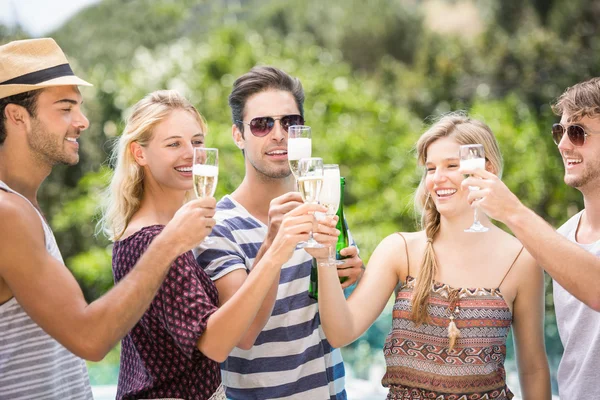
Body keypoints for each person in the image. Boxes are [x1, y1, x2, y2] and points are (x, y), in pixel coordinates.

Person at [0, 38, 215, 399]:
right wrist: (170, 242)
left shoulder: (23, 207)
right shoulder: (7, 214)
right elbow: (90, 337)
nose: (82, 121)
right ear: (17, 116)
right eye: (65, 108)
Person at [100, 89, 336, 400]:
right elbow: (216, 344)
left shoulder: (169, 233)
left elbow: (245, 332)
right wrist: (277, 252)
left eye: (197, 142)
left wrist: (269, 244)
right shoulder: (153, 241)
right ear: (139, 153)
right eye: (174, 144)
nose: (190, 153)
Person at [315, 113, 551, 399]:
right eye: (430, 168)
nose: (438, 178)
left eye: (452, 165)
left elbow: (533, 369)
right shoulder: (399, 250)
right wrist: (324, 257)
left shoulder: (522, 259)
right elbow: (341, 333)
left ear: (485, 168)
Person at [194, 66, 364, 399]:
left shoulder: (323, 204)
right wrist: (274, 244)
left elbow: (340, 319)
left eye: (290, 123)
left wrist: (352, 271)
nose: (278, 134)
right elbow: (240, 335)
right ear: (238, 135)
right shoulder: (217, 227)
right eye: (261, 124)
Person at [460, 77, 600, 400]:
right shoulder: (564, 237)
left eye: (577, 133)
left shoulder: (553, 245)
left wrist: (511, 210)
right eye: (559, 132)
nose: (564, 145)